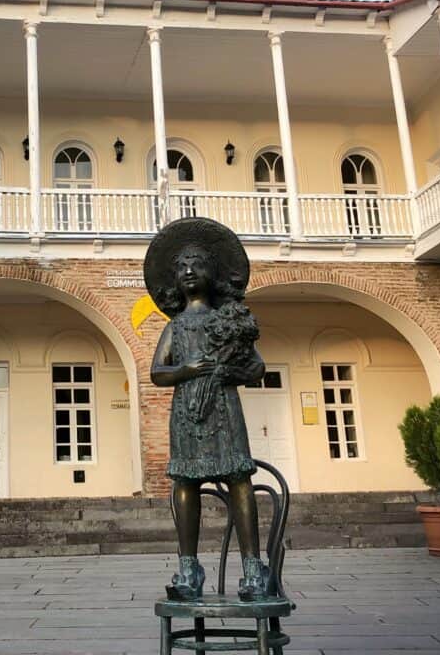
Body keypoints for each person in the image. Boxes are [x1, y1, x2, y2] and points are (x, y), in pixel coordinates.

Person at [145, 217, 270, 601]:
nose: (188, 271)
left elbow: (257, 367)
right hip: (187, 411)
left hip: (222, 406)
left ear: (211, 271)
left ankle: (253, 569)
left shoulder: (228, 320)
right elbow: (156, 372)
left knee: (238, 479)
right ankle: (188, 567)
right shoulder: (177, 326)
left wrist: (223, 369)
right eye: (181, 266)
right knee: (184, 481)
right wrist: (185, 370)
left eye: (196, 263)